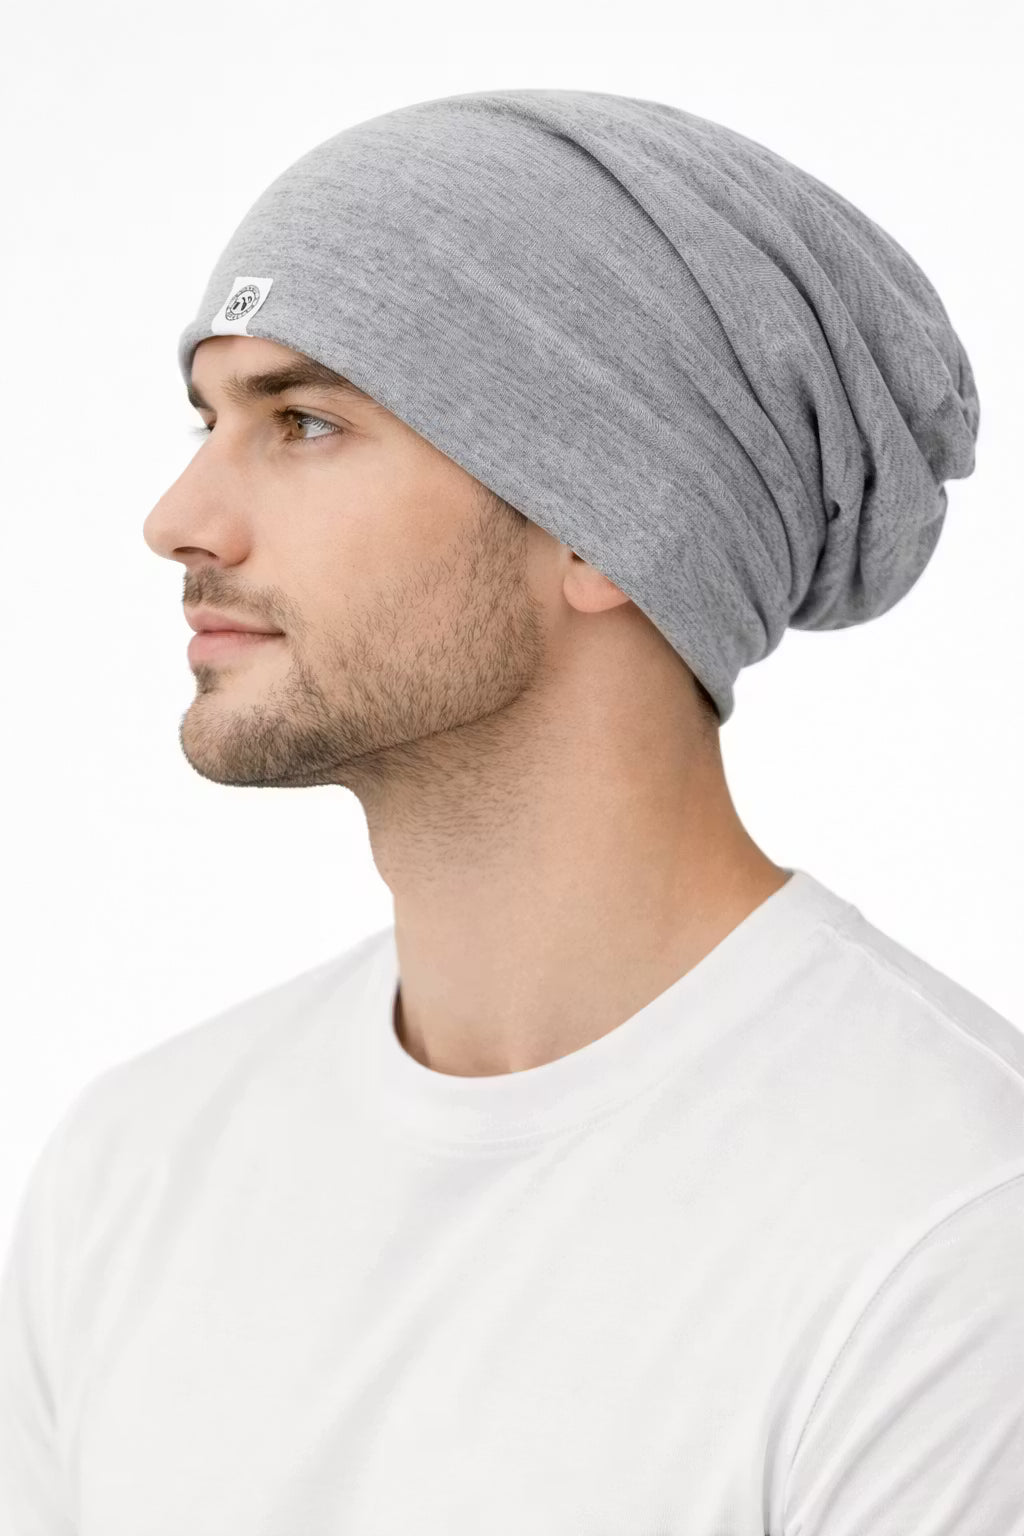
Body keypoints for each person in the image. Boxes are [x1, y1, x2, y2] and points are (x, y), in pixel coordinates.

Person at [1, 88, 1021, 1535]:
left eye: (304, 422)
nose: (178, 519)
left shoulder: (950, 1233)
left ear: (611, 523)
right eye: (208, 420)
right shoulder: (134, 1171)